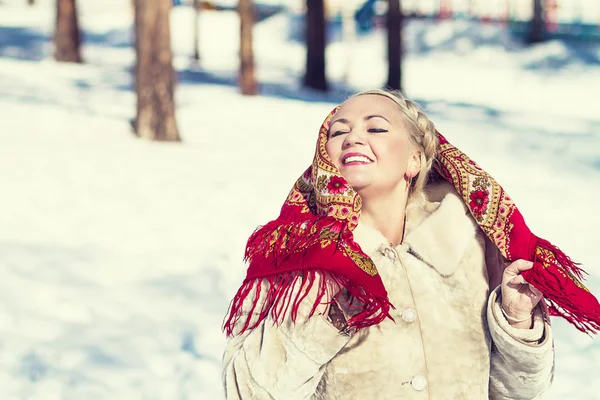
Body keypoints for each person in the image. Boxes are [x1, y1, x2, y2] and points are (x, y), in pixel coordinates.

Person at [221, 89, 600, 399]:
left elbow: (518, 391)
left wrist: (516, 321)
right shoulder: (293, 255)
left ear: (414, 160)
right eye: (338, 131)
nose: (353, 137)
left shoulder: (470, 245)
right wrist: (328, 316)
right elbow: (246, 393)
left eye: (376, 129)